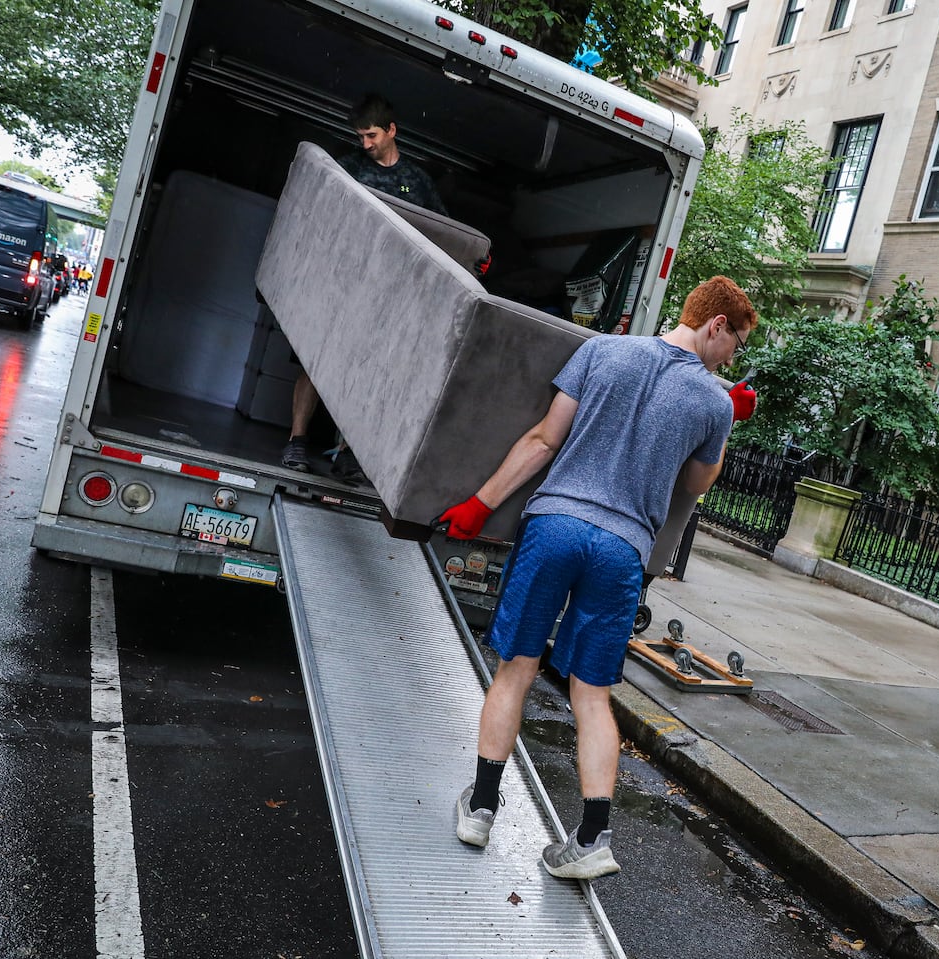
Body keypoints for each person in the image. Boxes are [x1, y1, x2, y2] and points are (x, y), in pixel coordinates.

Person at [441, 276, 759, 880]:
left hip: (556, 522)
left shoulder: (602, 351)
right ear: (717, 325)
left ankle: (481, 808)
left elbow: (542, 440)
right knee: (590, 694)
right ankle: (589, 840)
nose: (732, 359)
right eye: (735, 343)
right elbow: (693, 487)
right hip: (621, 551)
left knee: (517, 667)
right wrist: (721, 426)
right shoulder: (715, 402)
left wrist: (481, 503)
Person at [281, 93, 449, 481]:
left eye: (372, 135)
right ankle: (296, 442)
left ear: (392, 130)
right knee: (315, 361)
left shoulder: (417, 181)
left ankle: (346, 453)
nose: (366, 144)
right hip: (341, 285)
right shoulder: (348, 168)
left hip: (389, 297)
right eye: (360, 137)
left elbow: (442, 232)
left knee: (365, 373)